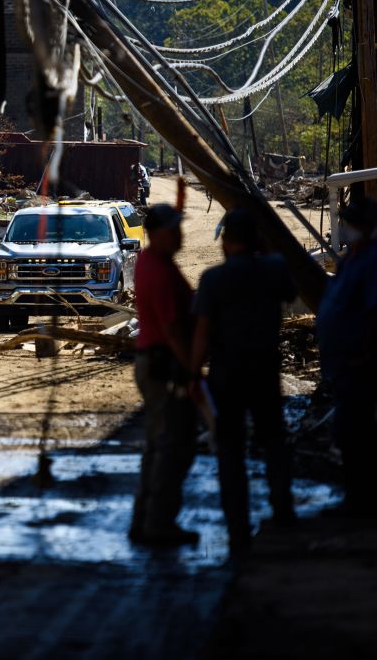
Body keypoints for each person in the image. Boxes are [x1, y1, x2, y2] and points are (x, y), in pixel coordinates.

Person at [190, 208, 297, 559]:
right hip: (265, 367)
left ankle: (237, 524)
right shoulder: (275, 269)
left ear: (227, 241)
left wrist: (193, 374)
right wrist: (266, 250)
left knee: (230, 448)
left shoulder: (213, 279)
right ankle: (283, 510)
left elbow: (202, 333)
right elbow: (289, 293)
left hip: (227, 373)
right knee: (273, 440)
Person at [316, 199, 377, 518]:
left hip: (359, 361)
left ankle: (368, 501)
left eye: (351, 224)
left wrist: (362, 353)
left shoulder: (375, 260)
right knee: (351, 431)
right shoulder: (354, 257)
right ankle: (360, 497)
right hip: (343, 360)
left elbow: (376, 313)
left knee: (355, 430)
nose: (346, 229)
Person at [129, 203, 199, 547]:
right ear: (156, 234)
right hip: (164, 364)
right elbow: (172, 327)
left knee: (159, 445)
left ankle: (145, 519)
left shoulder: (152, 261)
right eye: (173, 230)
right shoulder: (157, 269)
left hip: (156, 361)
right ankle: (158, 523)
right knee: (174, 447)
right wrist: (191, 370)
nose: (179, 235)